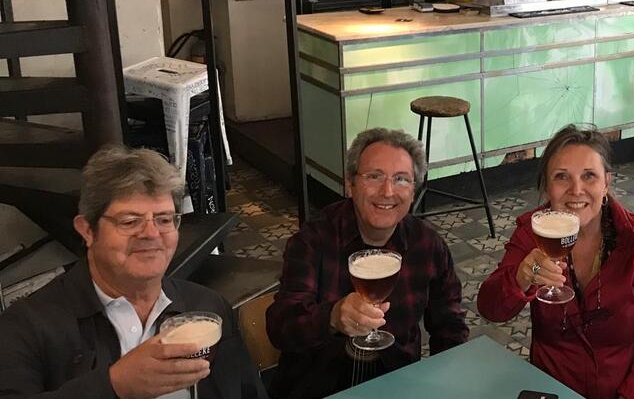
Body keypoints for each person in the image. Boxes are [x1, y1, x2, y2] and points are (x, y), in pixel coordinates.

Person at [0, 145, 265, 398]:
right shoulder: (27, 327)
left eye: (163, 219)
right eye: (130, 221)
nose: (151, 234)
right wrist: (114, 385)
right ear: (86, 230)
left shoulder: (208, 307)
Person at [477, 124, 634, 399]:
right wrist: (523, 275)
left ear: (607, 182)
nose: (576, 190)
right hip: (553, 391)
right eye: (562, 177)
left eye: (589, 176)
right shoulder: (532, 232)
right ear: (547, 186)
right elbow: (491, 309)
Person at [265, 128, 468, 398]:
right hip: (318, 389)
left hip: (399, 386)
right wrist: (333, 317)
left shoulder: (427, 244)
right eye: (374, 176)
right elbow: (281, 328)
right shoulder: (312, 240)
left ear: (413, 190)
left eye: (401, 179)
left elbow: (450, 326)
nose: (387, 191)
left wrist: (446, 384)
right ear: (351, 184)